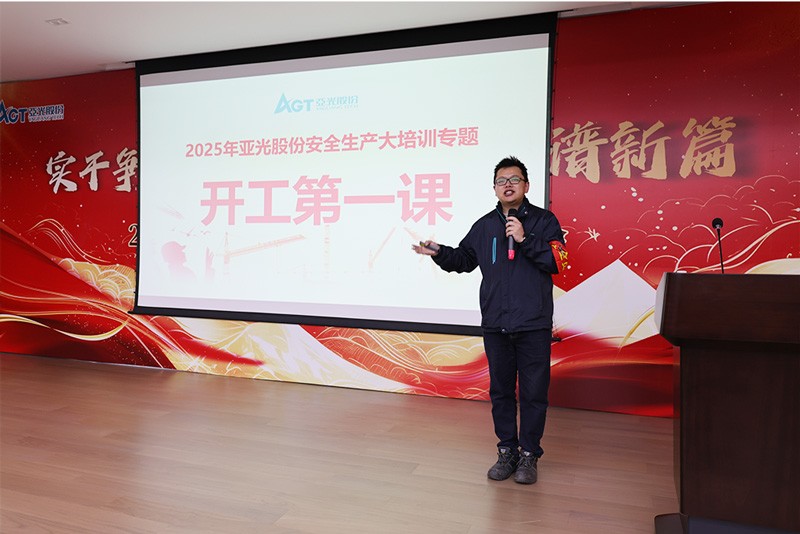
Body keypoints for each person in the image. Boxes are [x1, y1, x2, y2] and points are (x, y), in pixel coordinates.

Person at [412, 156, 568, 484]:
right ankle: (507, 450)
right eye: (501, 181)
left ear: (527, 185)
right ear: (495, 188)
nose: (507, 185)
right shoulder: (484, 226)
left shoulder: (544, 221)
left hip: (533, 323)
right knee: (500, 392)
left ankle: (529, 454)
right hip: (496, 323)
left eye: (514, 179)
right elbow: (464, 260)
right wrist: (440, 252)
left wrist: (525, 239)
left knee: (534, 393)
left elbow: (559, 260)